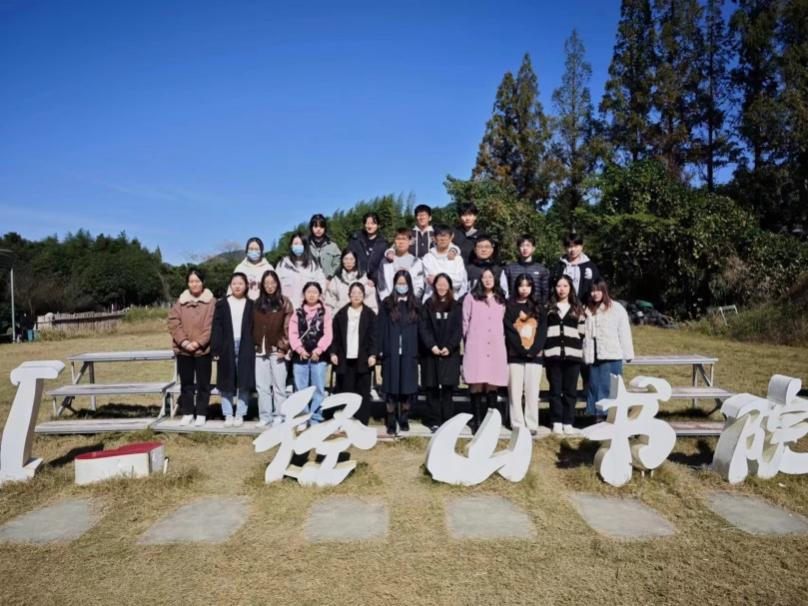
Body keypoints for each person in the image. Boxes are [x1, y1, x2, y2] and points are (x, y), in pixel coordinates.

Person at [462, 267, 508, 431]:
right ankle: (477, 420)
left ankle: (490, 423)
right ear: (480, 280)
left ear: (495, 279)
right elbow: (465, 322)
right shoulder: (471, 298)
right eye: (484, 277)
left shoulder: (501, 299)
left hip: (496, 345)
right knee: (476, 382)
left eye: (491, 277)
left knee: (492, 383)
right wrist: (469, 340)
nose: (488, 280)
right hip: (477, 345)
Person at [168, 268, 216, 427]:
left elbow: (211, 326)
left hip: (203, 350)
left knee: (203, 384)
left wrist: (198, 343)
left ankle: (201, 413)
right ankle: (188, 412)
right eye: (191, 281)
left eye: (197, 281)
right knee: (186, 384)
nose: (194, 284)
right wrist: (184, 342)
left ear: (203, 282)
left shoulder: (211, 302)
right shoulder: (180, 302)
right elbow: (173, 322)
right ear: (188, 283)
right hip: (184, 351)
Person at [583, 278, 635, 418]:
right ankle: (596, 416)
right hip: (593, 354)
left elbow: (624, 331)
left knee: (609, 387)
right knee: (594, 386)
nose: (595, 294)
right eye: (592, 291)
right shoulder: (587, 309)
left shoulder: (616, 308)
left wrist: (628, 353)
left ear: (604, 291)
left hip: (611, 354)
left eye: (598, 290)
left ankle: (610, 416)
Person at [378, 270, 420, 436]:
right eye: (399, 283)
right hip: (392, 351)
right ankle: (390, 419)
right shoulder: (387, 303)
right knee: (391, 387)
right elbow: (381, 327)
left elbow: (420, 328)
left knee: (407, 387)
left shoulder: (415, 304)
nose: (401, 286)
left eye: (404, 283)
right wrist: (381, 349)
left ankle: (404, 417)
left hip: (410, 351)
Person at [418, 273, 463, 432]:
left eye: (445, 284)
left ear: (449, 286)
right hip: (431, 353)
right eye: (439, 284)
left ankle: (447, 420)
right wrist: (432, 346)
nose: (442, 287)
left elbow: (458, 329)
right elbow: (423, 327)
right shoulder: (428, 304)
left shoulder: (456, 306)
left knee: (447, 389)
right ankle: (434, 420)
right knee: (431, 388)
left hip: (449, 353)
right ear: (434, 286)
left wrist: (449, 347)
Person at [504, 274, 547, 435]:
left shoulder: (538, 307)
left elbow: (542, 331)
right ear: (516, 287)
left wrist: (533, 350)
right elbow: (510, 331)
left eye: (527, 285)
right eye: (521, 285)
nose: (524, 289)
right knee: (514, 391)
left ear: (532, 288)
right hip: (515, 356)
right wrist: (522, 350)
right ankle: (517, 423)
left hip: (535, 357)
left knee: (532, 391)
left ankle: (532, 423)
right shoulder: (510, 307)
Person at [211, 272, 256, 427]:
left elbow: (254, 328)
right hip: (226, 346)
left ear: (246, 286)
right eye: (234, 283)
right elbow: (216, 327)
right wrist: (215, 349)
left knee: (244, 381)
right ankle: (228, 414)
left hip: (246, 346)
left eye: (241, 283)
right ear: (230, 285)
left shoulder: (251, 305)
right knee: (226, 381)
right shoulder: (222, 304)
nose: (237, 286)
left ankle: (240, 414)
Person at [544, 275, 586, 435]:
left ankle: (568, 421)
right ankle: (556, 421)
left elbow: (582, 331)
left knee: (570, 391)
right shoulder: (548, 307)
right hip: (553, 355)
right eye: (559, 286)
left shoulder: (577, 308)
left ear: (570, 288)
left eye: (565, 286)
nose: (561, 289)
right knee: (555, 390)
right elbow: (543, 329)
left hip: (572, 355)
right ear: (554, 288)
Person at [330, 283, 377, 425]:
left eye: (359, 293)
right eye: (353, 293)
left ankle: (361, 421)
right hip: (345, 358)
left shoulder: (370, 315)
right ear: (349, 295)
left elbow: (374, 337)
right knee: (345, 390)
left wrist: (373, 354)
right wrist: (333, 353)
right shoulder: (341, 314)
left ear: (364, 295)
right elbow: (335, 337)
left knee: (362, 391)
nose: (356, 296)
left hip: (363, 358)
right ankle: (345, 420)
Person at [253, 270, 294, 427]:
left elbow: (289, 327)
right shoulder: (256, 304)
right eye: (266, 283)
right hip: (259, 350)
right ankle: (265, 416)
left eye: (273, 283)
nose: (270, 286)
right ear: (262, 285)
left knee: (279, 385)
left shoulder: (285, 302)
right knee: (262, 386)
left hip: (277, 349)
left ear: (277, 284)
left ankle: (280, 415)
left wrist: (284, 347)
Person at [289, 282, 332, 425]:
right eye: (309, 292)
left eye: (315, 292)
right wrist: (299, 349)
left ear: (319, 295)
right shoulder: (297, 312)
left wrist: (318, 350)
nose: (312, 295)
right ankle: (302, 418)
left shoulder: (325, 312)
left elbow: (328, 334)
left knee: (318, 388)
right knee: (300, 389)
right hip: (300, 355)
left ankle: (315, 417)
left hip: (319, 356)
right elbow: (292, 333)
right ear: (304, 294)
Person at [276, 233, 327, 309]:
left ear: (305, 246)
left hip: (307, 311)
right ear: (291, 246)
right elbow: (275, 287)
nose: (298, 246)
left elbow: (321, 287)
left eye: (301, 244)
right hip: (286, 310)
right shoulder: (282, 265)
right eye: (295, 244)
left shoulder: (314, 266)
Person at [421, 224, 468, 301]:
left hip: (452, 300)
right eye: (439, 236)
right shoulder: (428, 258)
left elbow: (458, 282)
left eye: (445, 236)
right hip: (431, 299)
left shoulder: (457, 259)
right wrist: (450, 278)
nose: (442, 239)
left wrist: (436, 278)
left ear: (451, 237)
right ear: (434, 238)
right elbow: (430, 281)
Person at [324, 249, 379, 314]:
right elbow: (329, 302)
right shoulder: (336, 280)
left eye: (351, 259)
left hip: (359, 316)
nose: (348, 262)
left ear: (355, 261)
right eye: (346, 259)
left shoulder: (364, 280)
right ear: (342, 261)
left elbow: (372, 305)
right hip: (340, 316)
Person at [378, 228, 425, 301]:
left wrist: (411, 301)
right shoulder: (385, 262)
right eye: (398, 239)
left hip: (411, 303)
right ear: (394, 241)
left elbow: (419, 286)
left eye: (404, 239)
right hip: (390, 303)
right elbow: (381, 286)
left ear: (410, 241)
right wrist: (387, 302)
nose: (401, 242)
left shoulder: (417, 262)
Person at [553, 232, 600, 305]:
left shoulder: (590, 266)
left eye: (576, 246)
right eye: (569, 247)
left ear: (582, 246)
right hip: (563, 305)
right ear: (565, 248)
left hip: (584, 305)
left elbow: (598, 287)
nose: (573, 250)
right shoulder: (559, 266)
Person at [500, 234, 550, 304]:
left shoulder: (541, 269)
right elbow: (504, 290)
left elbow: (545, 292)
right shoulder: (509, 269)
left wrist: (541, 306)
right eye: (522, 245)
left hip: (535, 307)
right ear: (518, 248)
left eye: (528, 245)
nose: (525, 248)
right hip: (514, 306)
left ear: (533, 248)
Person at [347, 212, 389, 285]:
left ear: (378, 225)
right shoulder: (355, 239)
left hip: (374, 282)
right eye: (367, 223)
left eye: (373, 223)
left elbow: (383, 265)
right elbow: (348, 257)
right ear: (364, 224)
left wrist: (374, 279)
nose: (369, 226)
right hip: (355, 278)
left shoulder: (383, 243)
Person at [308, 214, 342, 280]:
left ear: (325, 228)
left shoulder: (333, 246)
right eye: (315, 226)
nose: (318, 229)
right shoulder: (306, 246)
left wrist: (330, 275)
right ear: (311, 228)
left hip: (329, 282)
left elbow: (338, 263)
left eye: (321, 227)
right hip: (310, 282)